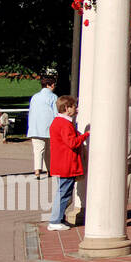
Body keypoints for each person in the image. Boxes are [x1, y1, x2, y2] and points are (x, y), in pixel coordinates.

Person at [47, 95, 88, 231]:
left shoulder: (59, 122)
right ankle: (55, 220)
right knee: (64, 193)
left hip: (62, 163)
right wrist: (85, 135)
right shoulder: (64, 124)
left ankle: (59, 218)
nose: (76, 108)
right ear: (66, 108)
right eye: (73, 106)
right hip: (66, 163)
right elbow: (72, 143)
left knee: (63, 192)